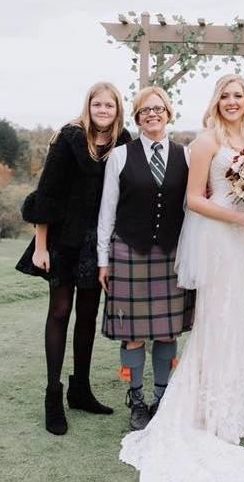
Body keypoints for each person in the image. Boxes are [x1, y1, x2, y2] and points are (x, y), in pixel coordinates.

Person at [119, 74, 244, 481]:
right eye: (226, 96)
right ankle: (204, 405)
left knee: (238, 315)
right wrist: (237, 217)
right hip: (220, 236)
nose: (232, 102)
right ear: (216, 101)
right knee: (216, 317)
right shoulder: (206, 141)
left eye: (238, 96)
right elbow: (194, 199)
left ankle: (234, 401)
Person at [15, 82, 131, 435]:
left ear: (117, 109)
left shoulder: (123, 142)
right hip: (63, 240)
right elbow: (47, 194)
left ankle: (80, 389)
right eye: (97, 104)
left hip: (98, 243)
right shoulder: (69, 138)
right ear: (88, 106)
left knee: (88, 314)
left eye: (109, 105)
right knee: (60, 311)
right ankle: (53, 395)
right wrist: (40, 246)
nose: (103, 110)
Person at [97, 86, 195, 432]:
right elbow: (107, 212)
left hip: (171, 254)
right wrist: (103, 260)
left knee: (168, 333)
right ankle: (136, 398)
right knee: (134, 334)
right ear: (137, 118)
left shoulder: (186, 155)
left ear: (168, 113)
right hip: (128, 252)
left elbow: (190, 209)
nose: (152, 114)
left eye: (158, 108)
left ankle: (162, 397)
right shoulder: (120, 156)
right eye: (144, 110)